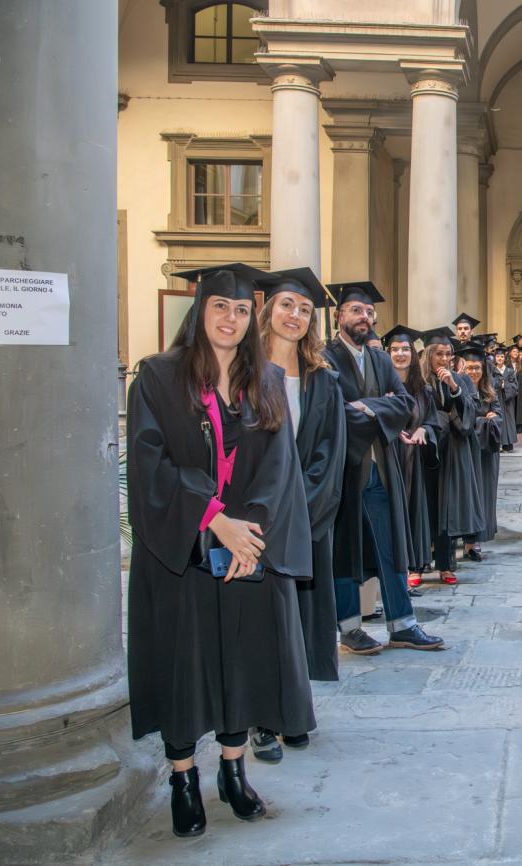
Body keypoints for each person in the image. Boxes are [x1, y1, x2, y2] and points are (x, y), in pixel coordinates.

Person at [127, 263, 314, 837]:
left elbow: (278, 468)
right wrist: (214, 519)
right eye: (219, 308)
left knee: (240, 661)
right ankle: (184, 778)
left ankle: (234, 772)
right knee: (185, 663)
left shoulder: (267, 383)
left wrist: (249, 533)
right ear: (199, 311)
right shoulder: (157, 378)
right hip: (182, 549)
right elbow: (148, 463)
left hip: (244, 550)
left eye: (239, 310)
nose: (230, 319)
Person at [252, 267, 346, 763]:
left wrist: (301, 505)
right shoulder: (242, 373)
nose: (295, 315)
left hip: (303, 514)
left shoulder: (321, 381)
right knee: (260, 618)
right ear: (269, 310)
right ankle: (263, 719)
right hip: (252, 517)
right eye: (288, 304)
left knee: (295, 617)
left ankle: (294, 710)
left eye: (305, 309)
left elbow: (329, 450)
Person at [322, 282, 444, 654]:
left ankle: (403, 624)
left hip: (380, 468)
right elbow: (331, 411)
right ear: (339, 316)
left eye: (369, 312)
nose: (364, 317)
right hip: (344, 467)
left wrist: (365, 407)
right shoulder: (324, 359)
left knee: (391, 545)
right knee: (346, 547)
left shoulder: (379, 359)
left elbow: (405, 402)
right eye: (356, 310)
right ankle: (349, 628)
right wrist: (379, 407)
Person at [420, 328, 485, 583]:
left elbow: (471, 411)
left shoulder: (462, 380)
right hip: (424, 449)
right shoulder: (419, 380)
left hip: (451, 452)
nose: (444, 359)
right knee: (424, 507)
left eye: (448, 354)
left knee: (447, 509)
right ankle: (418, 564)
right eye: (439, 353)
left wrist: (454, 387)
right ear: (429, 355)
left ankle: (446, 565)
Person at [381, 325, 435, 591]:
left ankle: (414, 564)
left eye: (405, 349)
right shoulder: (380, 386)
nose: (400, 354)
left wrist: (424, 429)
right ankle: (390, 567)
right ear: (387, 353)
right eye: (395, 349)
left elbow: (434, 419)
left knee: (414, 510)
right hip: (388, 458)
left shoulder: (422, 389)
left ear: (413, 355)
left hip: (413, 459)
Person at [460, 341, 503, 558]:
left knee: (484, 494)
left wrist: (479, 421)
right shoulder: (458, 390)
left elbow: (499, 418)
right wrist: (482, 420)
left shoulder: (489, 392)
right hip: (466, 452)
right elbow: (459, 421)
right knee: (467, 494)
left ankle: (475, 541)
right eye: (470, 368)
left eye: (477, 368)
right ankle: (465, 538)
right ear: (462, 368)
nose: (474, 372)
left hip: (487, 453)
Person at [493, 345, 520, 451]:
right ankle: (498, 444)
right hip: (496, 399)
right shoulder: (492, 371)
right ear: (495, 358)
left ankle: (507, 444)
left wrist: (506, 386)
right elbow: (489, 384)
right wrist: (499, 384)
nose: (500, 358)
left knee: (508, 421)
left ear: (504, 358)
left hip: (507, 400)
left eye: (502, 357)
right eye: (498, 357)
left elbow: (515, 386)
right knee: (498, 420)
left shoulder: (509, 371)